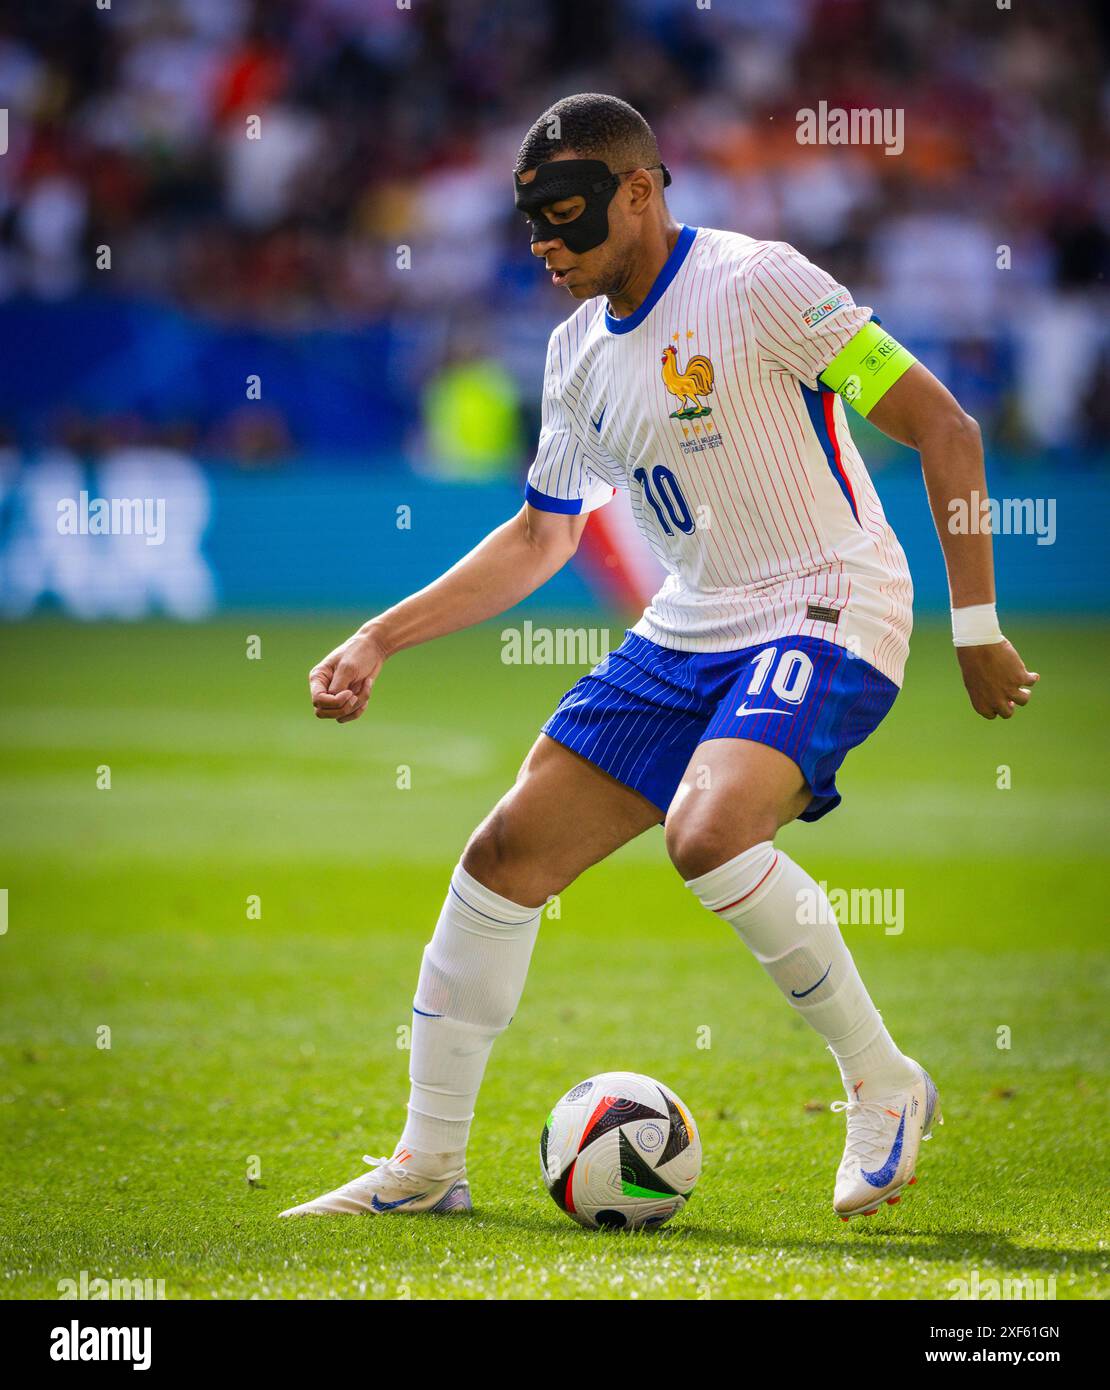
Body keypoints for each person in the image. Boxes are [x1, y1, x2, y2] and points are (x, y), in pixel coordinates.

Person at [281, 94, 1038, 1222]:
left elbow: (948, 429)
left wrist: (976, 627)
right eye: (529, 219)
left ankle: (882, 1083)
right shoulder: (575, 350)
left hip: (828, 599)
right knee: (501, 857)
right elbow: (545, 535)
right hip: (692, 622)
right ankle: (427, 1167)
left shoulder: (759, 282)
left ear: (641, 191)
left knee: (709, 830)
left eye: (566, 212)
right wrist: (380, 636)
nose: (543, 240)